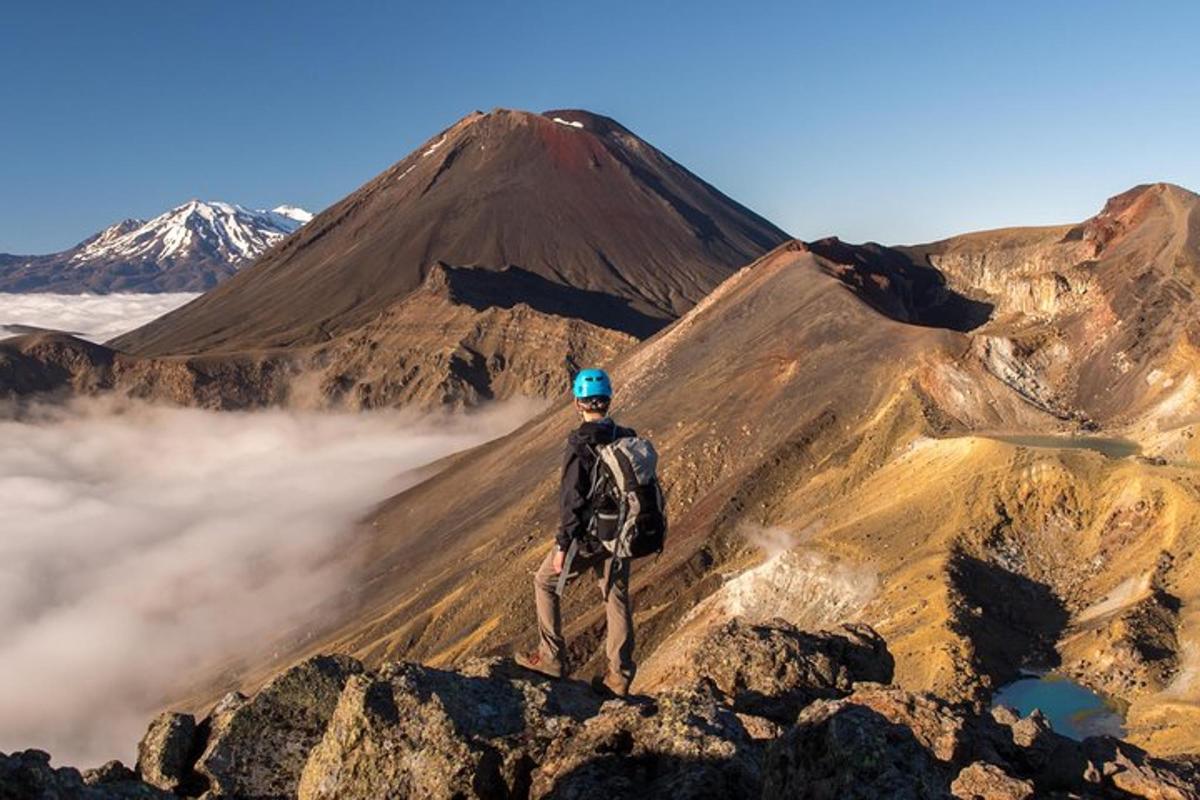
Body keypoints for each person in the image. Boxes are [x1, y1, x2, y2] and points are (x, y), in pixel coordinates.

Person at [516, 368, 637, 696]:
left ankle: (552, 658)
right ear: (608, 399)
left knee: (545, 582)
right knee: (616, 596)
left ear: (577, 402)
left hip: (590, 535)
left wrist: (562, 544)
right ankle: (620, 676)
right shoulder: (626, 434)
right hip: (621, 532)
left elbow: (572, 499)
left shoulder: (580, 442)